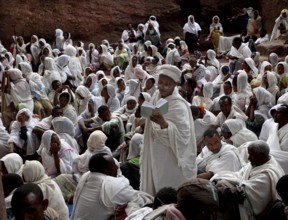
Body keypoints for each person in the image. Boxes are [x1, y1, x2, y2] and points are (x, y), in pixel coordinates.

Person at [140, 64, 197, 196]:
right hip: (156, 152)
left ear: (175, 85)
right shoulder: (156, 95)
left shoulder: (179, 106)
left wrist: (164, 124)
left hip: (170, 158)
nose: (161, 86)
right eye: (160, 82)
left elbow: (183, 138)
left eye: (167, 84)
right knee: (156, 184)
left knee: (169, 189)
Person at [213, 140, 285, 220]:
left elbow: (245, 193)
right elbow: (240, 174)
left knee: (222, 195)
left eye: (251, 155)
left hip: (256, 210)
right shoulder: (258, 162)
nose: (249, 158)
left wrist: (222, 191)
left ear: (261, 155)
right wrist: (220, 177)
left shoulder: (267, 174)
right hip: (244, 193)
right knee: (221, 181)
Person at [70, 153, 153, 219]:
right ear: (104, 170)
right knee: (133, 206)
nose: (117, 167)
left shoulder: (86, 176)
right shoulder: (114, 185)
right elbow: (140, 202)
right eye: (113, 165)